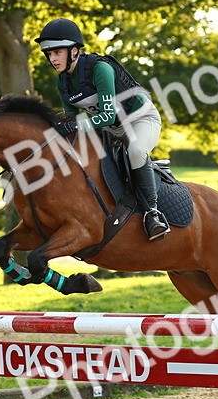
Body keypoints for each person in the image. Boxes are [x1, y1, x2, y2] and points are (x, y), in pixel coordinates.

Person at [35, 17, 170, 241]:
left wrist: (75, 125)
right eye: (49, 54)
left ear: (74, 51)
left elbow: (106, 116)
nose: (52, 58)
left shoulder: (100, 69)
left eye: (57, 52)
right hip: (112, 130)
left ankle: (153, 214)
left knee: (136, 151)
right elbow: (72, 120)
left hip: (141, 119)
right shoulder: (64, 82)